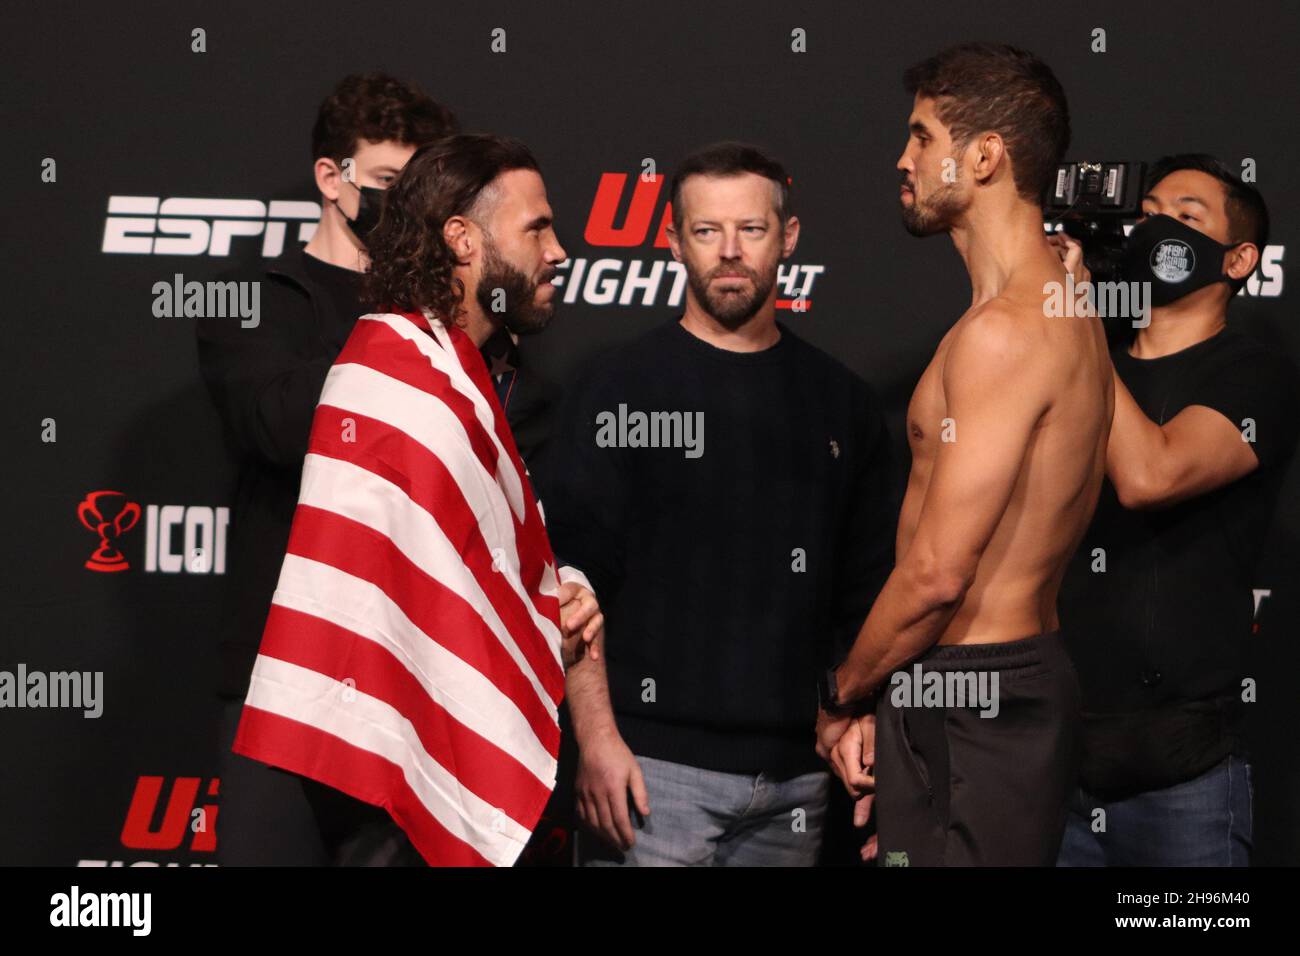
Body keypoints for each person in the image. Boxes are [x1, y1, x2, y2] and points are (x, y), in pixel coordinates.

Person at [232, 132, 605, 866]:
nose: (559, 251)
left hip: (411, 759)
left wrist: (560, 590)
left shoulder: (483, 377)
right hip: (358, 764)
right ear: (463, 239)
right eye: (537, 227)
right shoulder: (390, 370)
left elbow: (486, 557)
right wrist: (535, 620)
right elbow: (417, 586)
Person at [539, 142, 896, 866]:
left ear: (788, 239)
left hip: (798, 781)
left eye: (752, 230)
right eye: (706, 232)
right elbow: (572, 583)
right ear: (672, 242)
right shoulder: (615, 387)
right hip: (648, 775)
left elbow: (866, 591)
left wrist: (857, 711)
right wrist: (598, 738)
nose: (729, 253)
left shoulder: (842, 404)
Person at [819, 42, 1112, 867]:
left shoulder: (1004, 333)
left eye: (921, 136)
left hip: (977, 694)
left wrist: (843, 692)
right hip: (978, 691)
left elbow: (938, 573)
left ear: (984, 155)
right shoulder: (1063, 305)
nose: (902, 159)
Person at [197, 71, 457, 865]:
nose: (403, 208)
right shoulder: (254, 299)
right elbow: (276, 426)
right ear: (331, 179)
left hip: (417, 677)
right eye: (386, 184)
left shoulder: (453, 314)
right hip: (284, 674)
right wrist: (394, 330)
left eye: (418, 191)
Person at [1052, 156, 1300, 866]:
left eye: (1186, 218)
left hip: (1182, 773)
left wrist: (1081, 325)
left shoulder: (1256, 375)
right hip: (1058, 759)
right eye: (1150, 211)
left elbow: (1150, 474)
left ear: (1240, 258)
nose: (1157, 227)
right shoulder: (1090, 354)